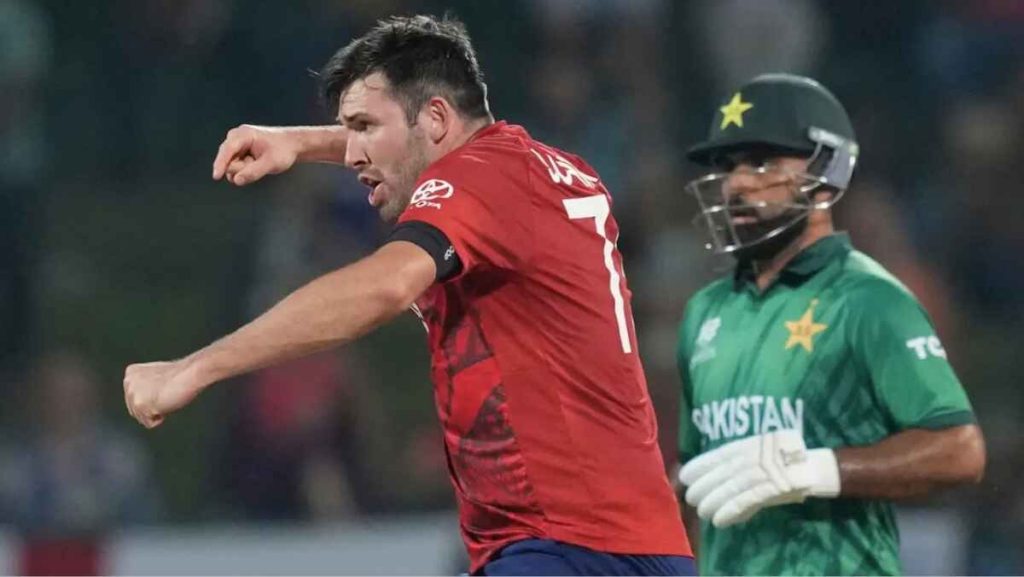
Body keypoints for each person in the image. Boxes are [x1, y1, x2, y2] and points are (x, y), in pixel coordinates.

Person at [122, 14, 694, 576]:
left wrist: (193, 369)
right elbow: (415, 143)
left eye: (364, 127)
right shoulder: (552, 169)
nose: (350, 155)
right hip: (647, 545)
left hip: (559, 544)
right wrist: (297, 141)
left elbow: (385, 287)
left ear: (438, 117)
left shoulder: (477, 178)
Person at [673, 72, 986, 575]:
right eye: (727, 167)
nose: (735, 185)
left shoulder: (868, 298)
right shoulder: (704, 312)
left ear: (828, 172)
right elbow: (694, 474)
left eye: (761, 162)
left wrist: (817, 469)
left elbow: (959, 451)